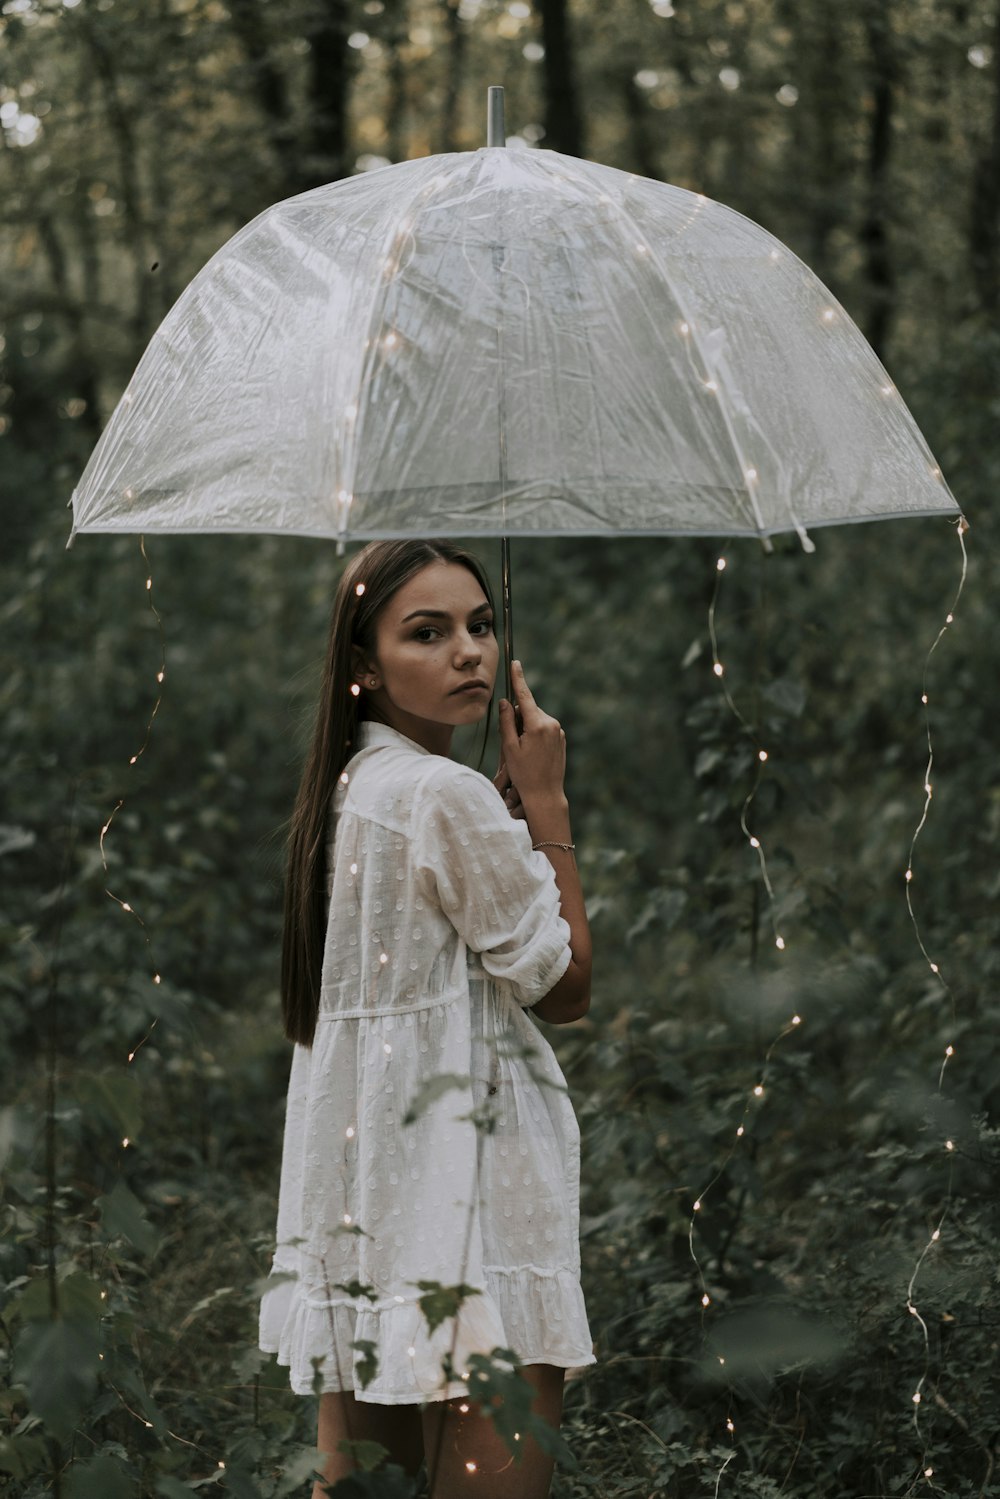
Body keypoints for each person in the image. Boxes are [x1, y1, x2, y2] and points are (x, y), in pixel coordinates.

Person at [258, 539, 595, 1499]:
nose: (470, 654)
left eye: (481, 627)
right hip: (472, 1210)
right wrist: (547, 805)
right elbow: (566, 987)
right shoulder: (442, 795)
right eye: (428, 632)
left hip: (369, 1207)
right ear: (363, 665)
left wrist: (504, 833)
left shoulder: (351, 789)